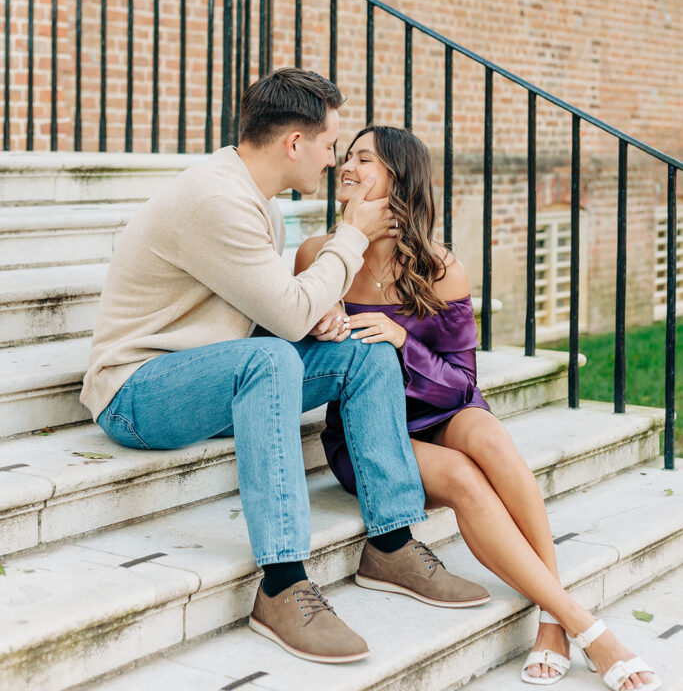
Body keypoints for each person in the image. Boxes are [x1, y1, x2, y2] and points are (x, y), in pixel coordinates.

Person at [80, 69, 488, 667]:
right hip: (139, 392)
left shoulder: (258, 204)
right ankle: (281, 584)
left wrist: (321, 317)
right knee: (272, 359)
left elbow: (271, 309)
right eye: (330, 145)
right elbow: (281, 325)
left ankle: (393, 543)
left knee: (367, 348)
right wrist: (348, 238)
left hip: (212, 377)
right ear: (294, 143)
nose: (334, 161)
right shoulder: (216, 198)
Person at [295, 125, 661, 691]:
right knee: (466, 476)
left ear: (399, 178)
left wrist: (401, 340)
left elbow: (461, 384)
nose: (345, 166)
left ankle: (551, 617)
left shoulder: (441, 269)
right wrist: (317, 327)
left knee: (487, 437)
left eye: (362, 159)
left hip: (442, 411)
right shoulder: (317, 255)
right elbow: (296, 346)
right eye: (346, 157)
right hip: (370, 436)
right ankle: (582, 624)